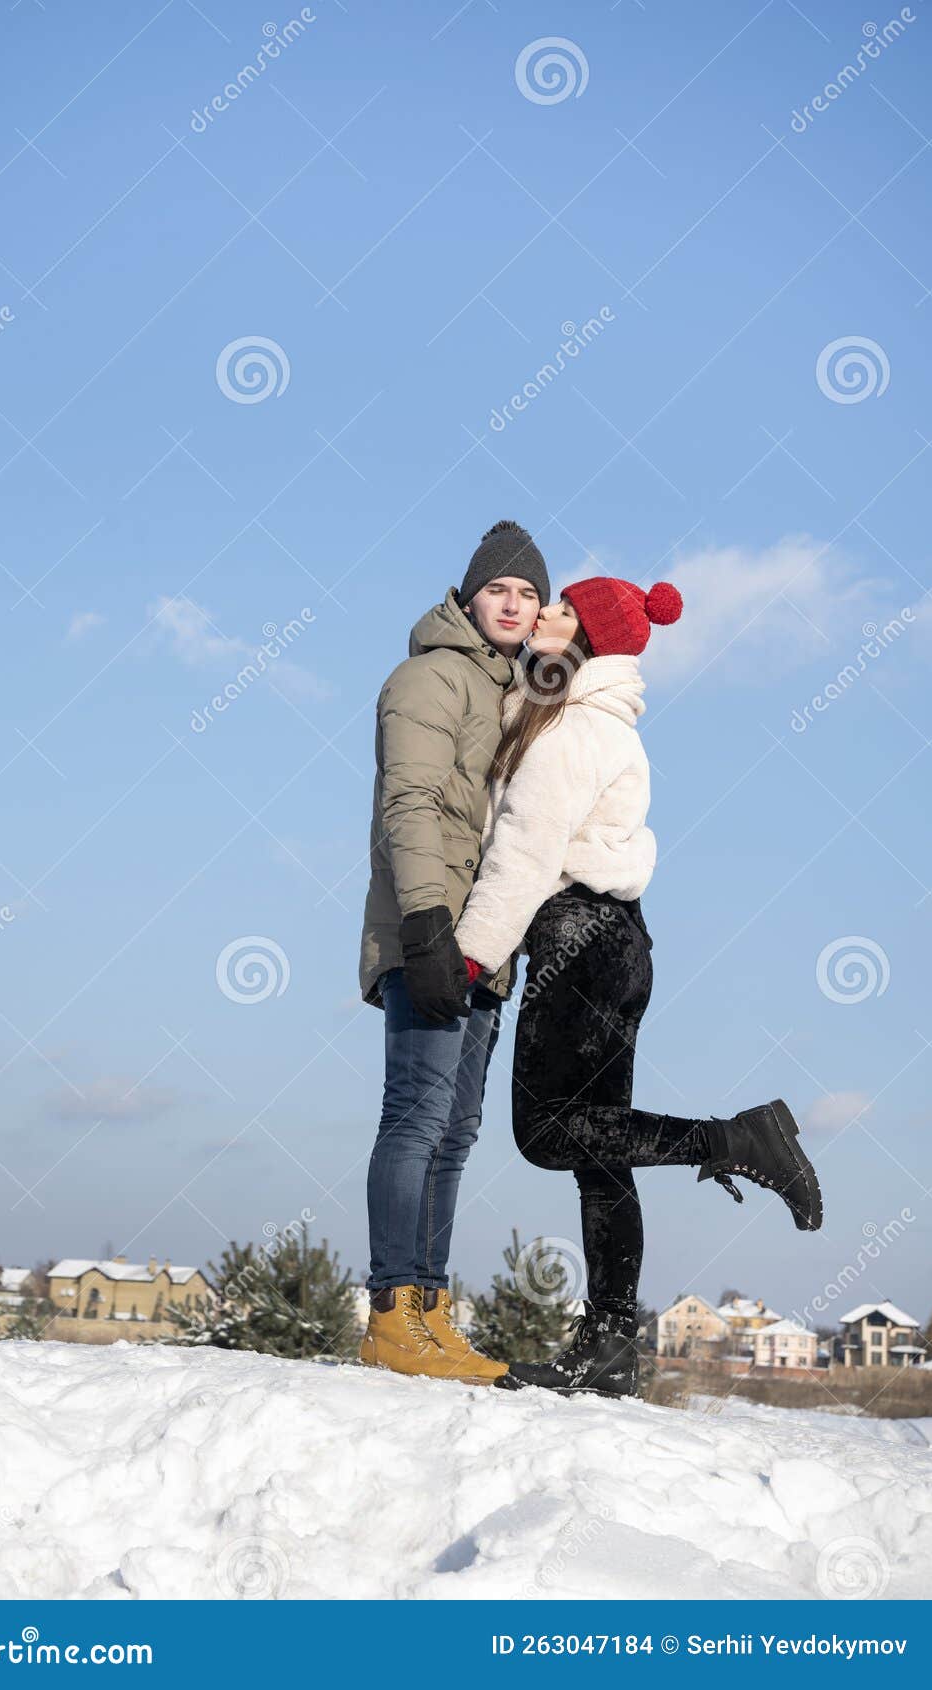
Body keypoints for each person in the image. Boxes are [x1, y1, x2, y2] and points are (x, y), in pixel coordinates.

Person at [454, 575, 823, 1400]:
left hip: (577, 937)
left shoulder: (578, 732)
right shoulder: (577, 716)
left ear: (585, 637)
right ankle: (611, 1347)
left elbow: (524, 846)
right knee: (600, 1149)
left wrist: (474, 955)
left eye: (559, 610)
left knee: (548, 1133)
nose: (539, 613)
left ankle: (735, 1141)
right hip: (617, 941)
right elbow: (524, 720)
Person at [358, 520, 549, 1384]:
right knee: (416, 1119)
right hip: (430, 936)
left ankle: (431, 1314)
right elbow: (413, 805)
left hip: (481, 947)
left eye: (529, 595)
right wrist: (427, 927)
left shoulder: (507, 691)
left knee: (458, 1132)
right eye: (499, 590)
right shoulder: (431, 677)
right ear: (468, 596)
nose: (513, 604)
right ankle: (393, 1312)